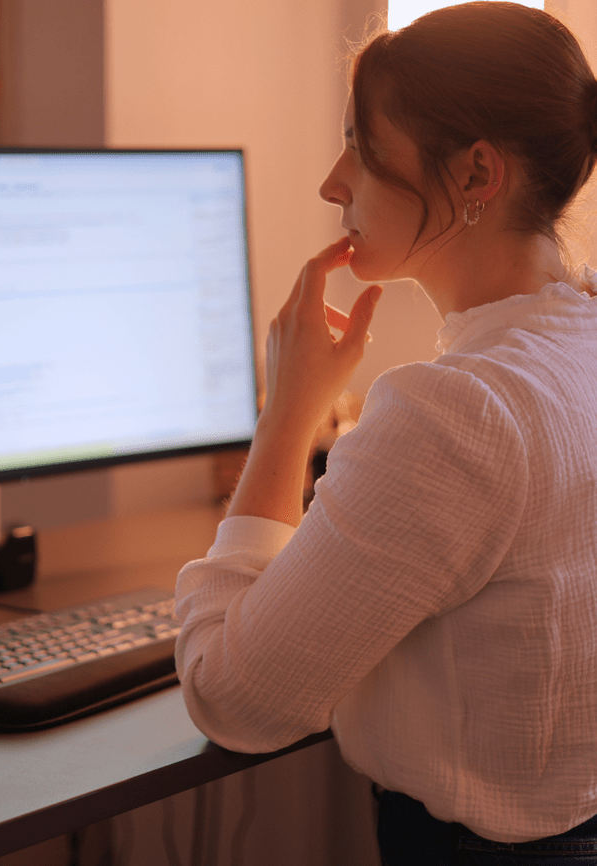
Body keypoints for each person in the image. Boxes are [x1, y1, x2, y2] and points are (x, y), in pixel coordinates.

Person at [174, 2, 597, 862]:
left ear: (479, 173)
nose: (333, 183)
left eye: (364, 151)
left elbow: (234, 699)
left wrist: (286, 412)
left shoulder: (461, 413)